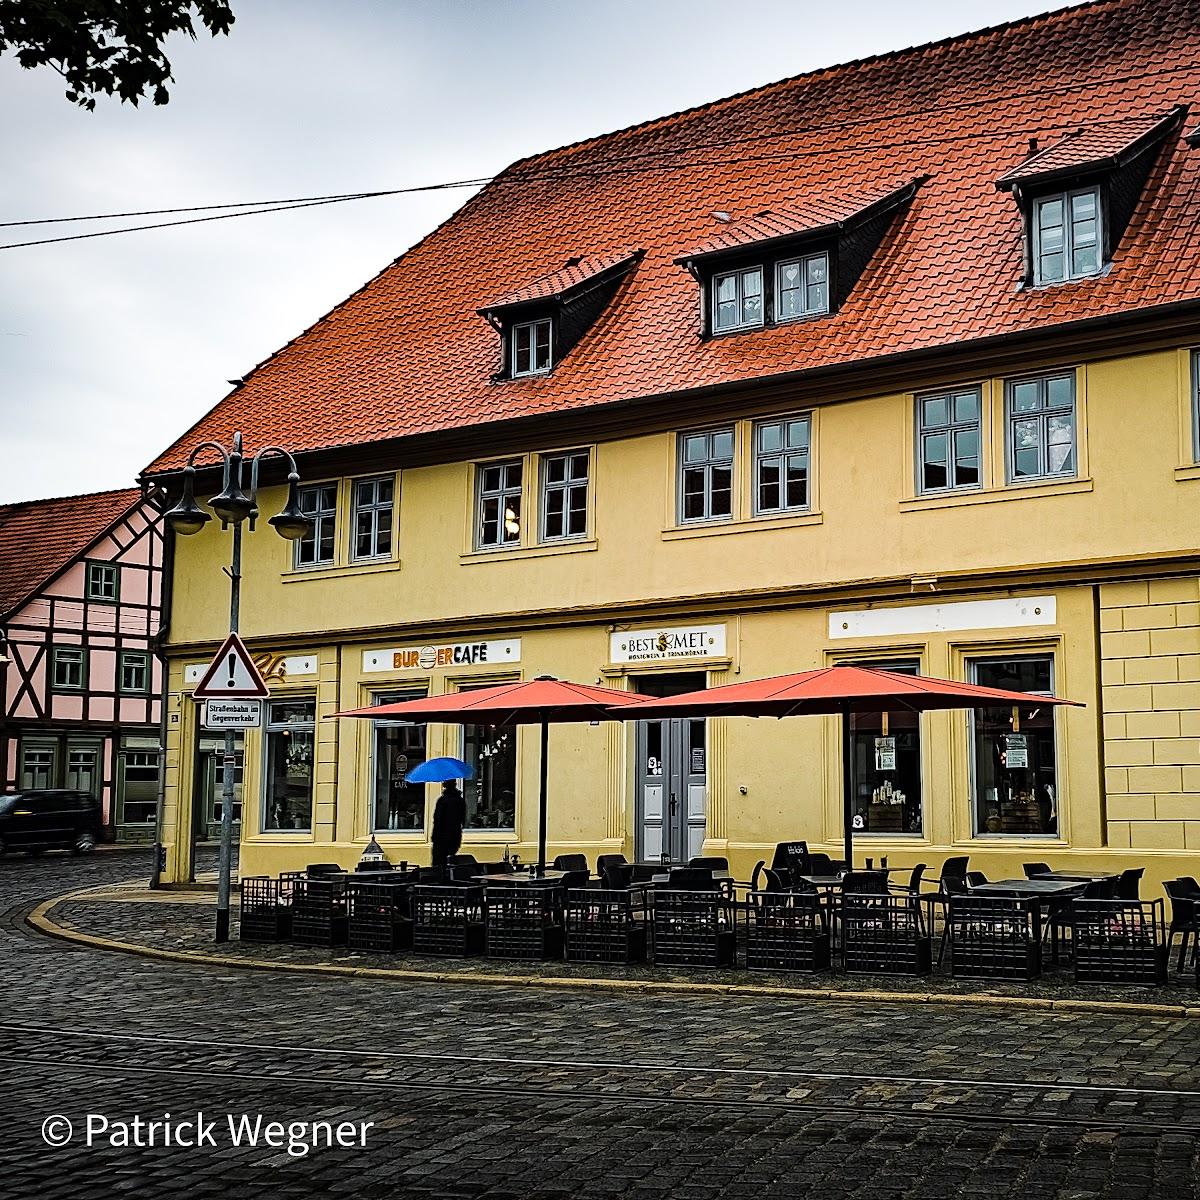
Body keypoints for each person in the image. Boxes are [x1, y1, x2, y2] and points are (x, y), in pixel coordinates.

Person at [431, 780, 467, 869]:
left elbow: (437, 820)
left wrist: (435, 836)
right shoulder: (460, 800)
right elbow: (463, 819)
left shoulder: (442, 801)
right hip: (455, 836)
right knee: (450, 863)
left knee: (439, 865)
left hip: (441, 838)